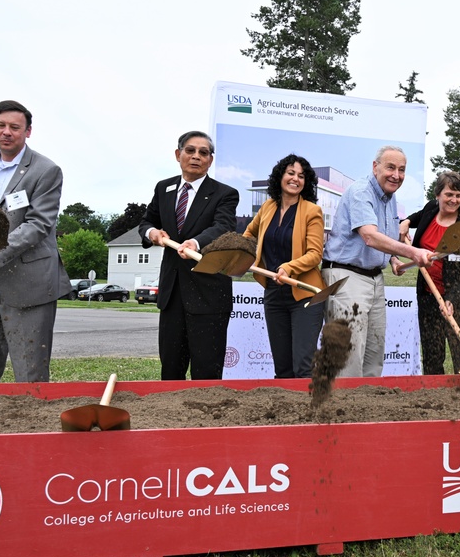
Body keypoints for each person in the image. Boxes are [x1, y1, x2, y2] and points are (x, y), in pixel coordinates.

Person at [0, 100, 71, 383]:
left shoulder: (46, 170)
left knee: (29, 367)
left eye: (14, 127)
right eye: (1, 126)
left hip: (30, 279)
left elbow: (38, 224)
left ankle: (32, 421)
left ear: (28, 131)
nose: (6, 132)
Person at [321, 145, 435, 378]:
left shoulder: (389, 198)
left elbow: (386, 236)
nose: (396, 175)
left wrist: (393, 258)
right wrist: (413, 253)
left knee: (374, 350)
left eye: (402, 170)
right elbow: (370, 236)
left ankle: (368, 407)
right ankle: (344, 408)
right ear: (375, 167)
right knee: (348, 355)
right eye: (390, 167)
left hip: (374, 279)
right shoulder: (361, 192)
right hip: (346, 277)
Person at [140, 131, 239, 380]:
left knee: (206, 371)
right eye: (190, 150)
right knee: (171, 369)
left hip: (208, 296)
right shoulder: (164, 188)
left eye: (203, 153)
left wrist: (195, 243)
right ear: (178, 154)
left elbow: (222, 227)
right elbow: (146, 222)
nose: (196, 156)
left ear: (210, 160)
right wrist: (152, 233)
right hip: (172, 295)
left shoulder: (225, 193)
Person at [243, 154, 326, 378]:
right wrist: (245, 252)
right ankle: (286, 412)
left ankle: (310, 411)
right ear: (280, 176)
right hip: (273, 294)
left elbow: (315, 254)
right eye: (291, 173)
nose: (295, 179)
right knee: (282, 368)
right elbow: (249, 233)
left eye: (301, 176)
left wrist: (288, 267)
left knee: (303, 367)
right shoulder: (268, 206)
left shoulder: (312, 211)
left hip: (305, 295)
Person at [398, 171, 460, 375]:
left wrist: (452, 299)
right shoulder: (430, 209)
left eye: (458, 195)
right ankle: (434, 400)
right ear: (438, 195)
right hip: (429, 297)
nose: (454, 200)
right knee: (432, 356)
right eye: (449, 194)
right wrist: (407, 222)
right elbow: (418, 217)